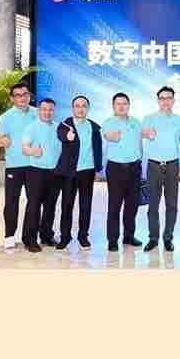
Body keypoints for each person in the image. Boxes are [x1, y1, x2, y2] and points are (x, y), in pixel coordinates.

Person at [141, 86, 180, 252]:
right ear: (158, 100)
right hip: (154, 165)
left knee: (171, 204)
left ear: (173, 100)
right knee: (153, 204)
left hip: (173, 165)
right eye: (162, 98)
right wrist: (147, 134)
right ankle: (153, 238)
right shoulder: (149, 118)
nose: (165, 101)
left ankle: (168, 237)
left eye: (169, 98)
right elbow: (142, 133)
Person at [54, 95, 102, 251]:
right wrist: (67, 137)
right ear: (73, 108)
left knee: (85, 206)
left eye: (83, 106)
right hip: (69, 173)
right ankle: (65, 237)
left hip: (87, 172)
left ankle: (83, 236)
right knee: (67, 205)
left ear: (88, 108)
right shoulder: (65, 125)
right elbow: (60, 134)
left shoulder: (94, 127)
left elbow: (97, 149)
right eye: (77, 106)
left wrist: (97, 169)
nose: (80, 109)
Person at [0, 82, 37, 249]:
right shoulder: (5, 117)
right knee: (11, 201)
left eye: (25, 94)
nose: (22, 98)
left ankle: (30, 238)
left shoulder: (37, 113)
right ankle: (9, 235)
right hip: (14, 165)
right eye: (18, 95)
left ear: (29, 96)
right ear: (12, 98)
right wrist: (1, 140)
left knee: (34, 202)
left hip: (35, 165)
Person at [101, 93, 143, 252]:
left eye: (124, 103)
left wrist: (139, 159)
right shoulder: (108, 123)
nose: (121, 106)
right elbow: (108, 135)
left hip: (134, 168)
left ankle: (129, 236)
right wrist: (112, 136)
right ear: (113, 106)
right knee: (115, 205)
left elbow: (140, 143)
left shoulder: (136, 122)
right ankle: (112, 240)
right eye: (118, 104)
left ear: (129, 105)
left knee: (132, 205)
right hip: (116, 169)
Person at [21, 98, 63, 252]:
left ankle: (46, 236)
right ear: (39, 110)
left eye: (50, 109)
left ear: (54, 111)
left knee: (50, 205)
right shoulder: (31, 127)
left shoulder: (59, 127)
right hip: (36, 171)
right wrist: (33, 151)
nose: (47, 112)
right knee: (34, 206)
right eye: (44, 109)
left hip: (55, 173)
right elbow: (25, 147)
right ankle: (29, 240)